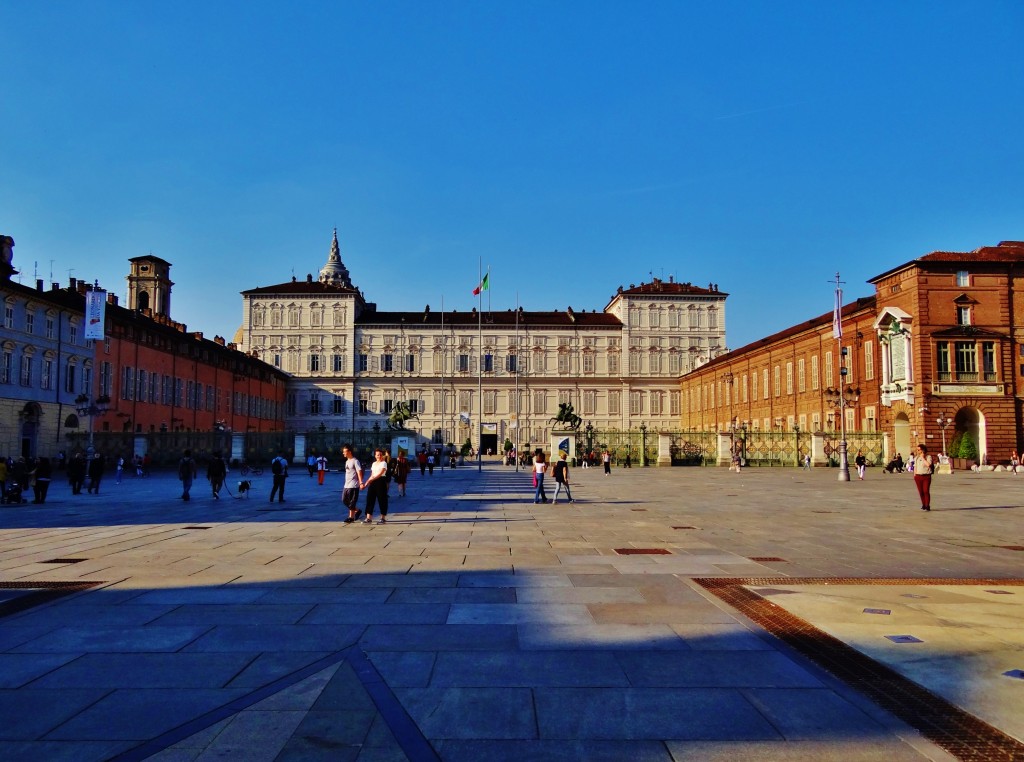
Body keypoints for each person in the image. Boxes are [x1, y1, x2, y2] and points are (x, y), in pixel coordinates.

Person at [362, 448, 390, 524]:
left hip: (381, 481)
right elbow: (372, 474)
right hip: (373, 481)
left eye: (380, 455)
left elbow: (381, 473)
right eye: (377, 455)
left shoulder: (384, 463)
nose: (379, 456)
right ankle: (368, 517)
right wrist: (367, 482)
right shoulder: (374, 464)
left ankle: (383, 517)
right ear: (375, 456)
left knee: (382, 499)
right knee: (370, 498)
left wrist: (372, 479)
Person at [341, 444, 364, 523]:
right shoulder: (347, 461)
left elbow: (359, 472)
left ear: (349, 452)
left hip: (353, 485)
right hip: (346, 485)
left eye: (344, 452)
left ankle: (351, 517)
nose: (343, 453)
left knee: (352, 501)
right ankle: (357, 510)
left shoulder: (355, 461)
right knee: (344, 500)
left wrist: (361, 482)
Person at [912, 444, 934, 512]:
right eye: (917, 450)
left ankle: (927, 505)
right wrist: (915, 475)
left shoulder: (928, 457)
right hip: (918, 476)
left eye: (919, 450)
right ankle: (923, 504)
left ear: (923, 450)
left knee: (926, 491)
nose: (918, 451)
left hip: (926, 476)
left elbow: (928, 464)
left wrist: (923, 458)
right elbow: (915, 467)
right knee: (921, 492)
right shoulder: (916, 458)